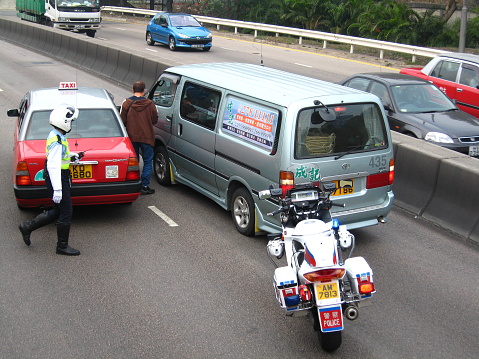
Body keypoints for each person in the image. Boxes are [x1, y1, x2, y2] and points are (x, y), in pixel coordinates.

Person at [19, 104, 81, 256]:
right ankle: (62, 247)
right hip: (57, 177)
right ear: (64, 122)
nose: (71, 124)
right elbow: (53, 165)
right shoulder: (57, 140)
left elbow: (59, 158)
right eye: (70, 121)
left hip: (59, 176)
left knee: (58, 210)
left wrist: (72, 156)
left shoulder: (57, 135)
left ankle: (27, 227)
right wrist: (58, 189)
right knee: (66, 211)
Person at [121, 81, 158, 195]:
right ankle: (144, 185)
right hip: (147, 137)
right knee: (147, 161)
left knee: (134, 161)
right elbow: (154, 120)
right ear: (144, 91)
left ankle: (134, 183)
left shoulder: (126, 103)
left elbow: (123, 121)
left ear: (133, 90)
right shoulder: (150, 104)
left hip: (132, 137)